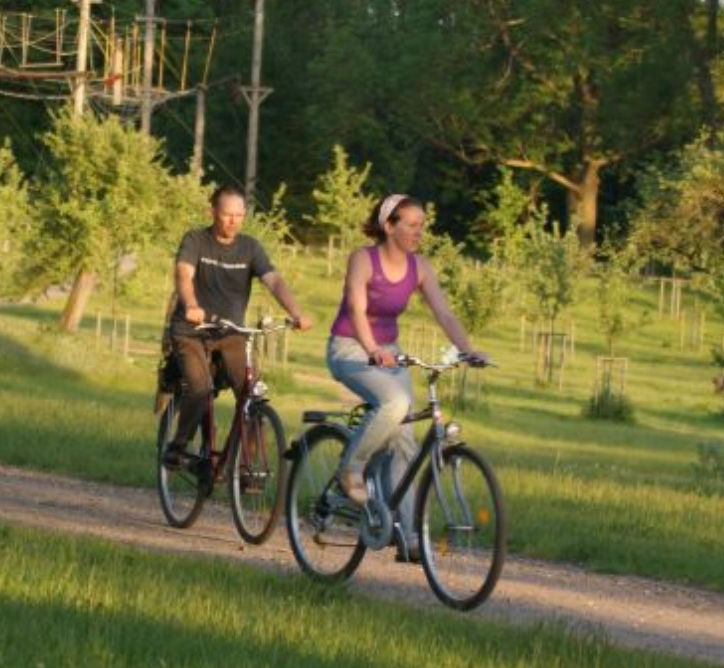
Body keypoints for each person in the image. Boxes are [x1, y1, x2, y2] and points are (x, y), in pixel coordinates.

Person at [326, 193, 485, 552]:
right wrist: (372, 350)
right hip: (350, 348)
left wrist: (468, 349)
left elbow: (444, 313)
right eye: (411, 225)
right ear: (389, 226)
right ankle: (351, 468)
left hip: (389, 353)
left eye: (421, 225)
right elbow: (355, 307)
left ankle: (408, 533)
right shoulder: (362, 259)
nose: (419, 232)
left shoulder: (421, 267)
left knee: (405, 441)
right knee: (395, 401)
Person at [164, 184, 313, 476]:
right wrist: (192, 304)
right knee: (200, 387)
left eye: (239, 215)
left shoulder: (250, 247)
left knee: (253, 393)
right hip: (192, 331)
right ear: (212, 213)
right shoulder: (196, 240)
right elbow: (184, 275)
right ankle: (177, 447)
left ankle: (244, 464)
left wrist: (296, 313)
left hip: (231, 333)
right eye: (227, 215)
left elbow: (274, 281)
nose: (233, 221)